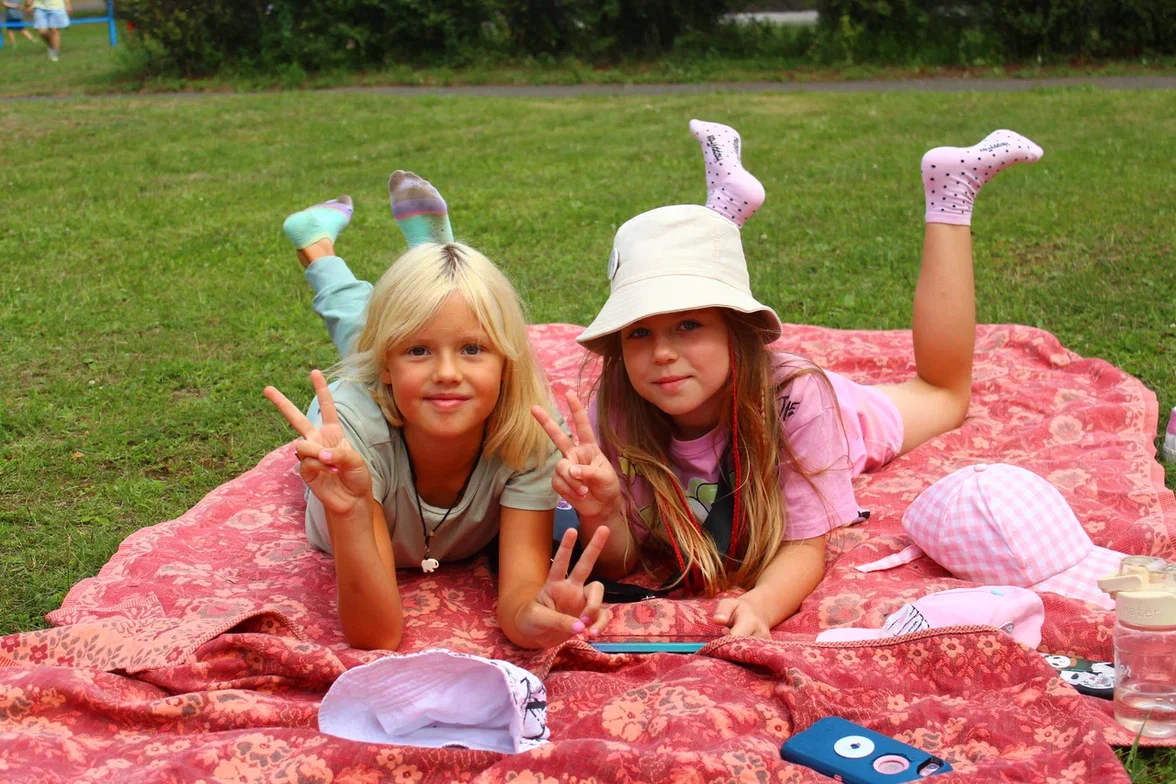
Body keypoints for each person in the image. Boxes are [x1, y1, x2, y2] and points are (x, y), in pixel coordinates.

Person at [533, 120, 1044, 638]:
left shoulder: (798, 399)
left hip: (837, 413)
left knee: (945, 394)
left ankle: (951, 194)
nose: (661, 354)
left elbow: (804, 546)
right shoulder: (614, 409)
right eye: (638, 332)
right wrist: (600, 511)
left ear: (738, 330)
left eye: (688, 325)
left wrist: (763, 603)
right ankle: (723, 209)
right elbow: (625, 560)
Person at [263, 172, 610, 651]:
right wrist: (351, 511)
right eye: (419, 350)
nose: (447, 373)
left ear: (508, 363)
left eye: (473, 348)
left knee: (392, 328)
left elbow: (520, 602)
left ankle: (432, 271)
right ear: (387, 367)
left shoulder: (530, 431)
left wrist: (537, 617)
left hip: (402, 385)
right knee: (364, 332)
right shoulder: (348, 440)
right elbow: (377, 636)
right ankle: (320, 249)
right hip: (368, 409)